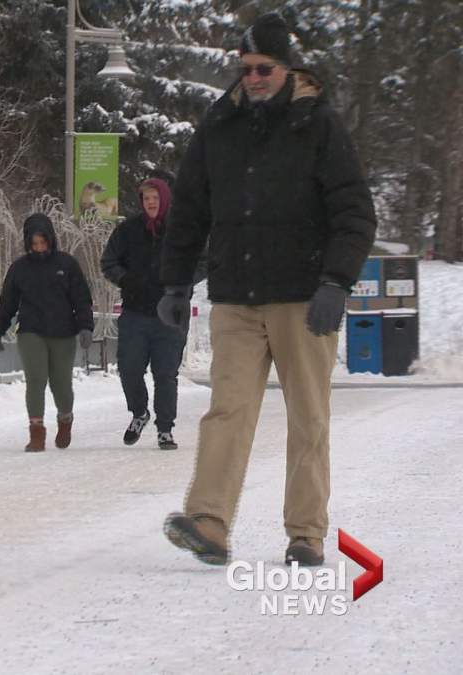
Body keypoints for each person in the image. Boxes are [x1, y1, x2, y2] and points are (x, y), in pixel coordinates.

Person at [157, 13, 377, 567]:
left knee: (308, 418)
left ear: (287, 69)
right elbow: (189, 209)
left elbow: (354, 212)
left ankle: (305, 533)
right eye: (246, 68)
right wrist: (176, 281)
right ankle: (209, 523)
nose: (252, 78)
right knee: (226, 411)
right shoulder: (220, 124)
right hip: (236, 295)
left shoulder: (319, 124)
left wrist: (336, 282)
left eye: (263, 69)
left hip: (304, 298)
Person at [101, 178, 197, 450]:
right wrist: (126, 279)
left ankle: (165, 429)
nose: (151, 203)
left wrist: (182, 281)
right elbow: (108, 261)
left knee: (165, 374)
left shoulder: (184, 230)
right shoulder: (128, 230)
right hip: (136, 312)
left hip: (171, 314)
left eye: (155, 198)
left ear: (165, 199)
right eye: (146, 198)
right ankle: (139, 412)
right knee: (129, 368)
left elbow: (204, 261)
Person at [0, 214, 94, 452]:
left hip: (63, 332)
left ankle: (65, 420)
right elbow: (7, 304)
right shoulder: (19, 269)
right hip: (31, 331)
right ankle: (36, 432)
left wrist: (86, 327)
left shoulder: (67, 264)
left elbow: (82, 299)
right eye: (34, 243)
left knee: (61, 384)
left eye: (42, 242)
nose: (39, 247)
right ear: (28, 243)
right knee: (36, 380)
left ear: (50, 239)